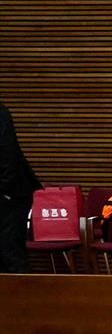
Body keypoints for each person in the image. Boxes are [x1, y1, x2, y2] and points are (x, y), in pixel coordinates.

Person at [0, 101, 39, 274]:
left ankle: (23, 299)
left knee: (10, 253)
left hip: (10, 194)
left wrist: (4, 190)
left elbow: (7, 153)